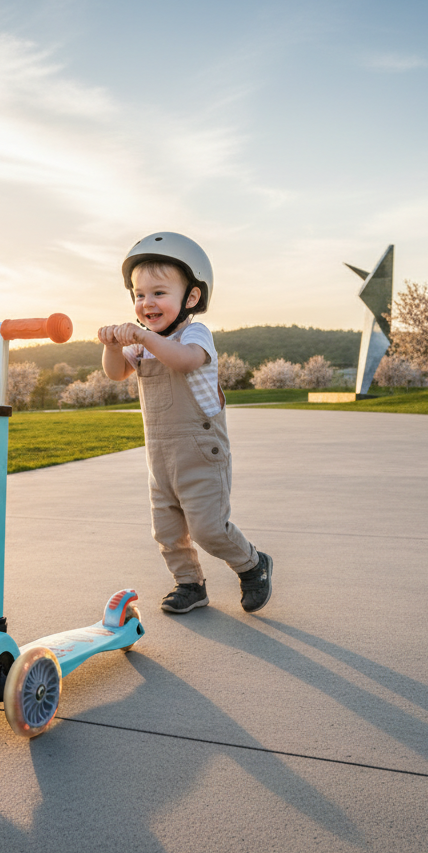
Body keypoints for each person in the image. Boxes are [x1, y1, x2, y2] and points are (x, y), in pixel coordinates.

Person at [97, 232, 273, 614]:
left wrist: (144, 336)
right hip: (160, 458)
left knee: (209, 528)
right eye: (139, 295)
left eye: (159, 293)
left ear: (190, 298)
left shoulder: (194, 334)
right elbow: (115, 374)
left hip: (201, 454)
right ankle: (190, 584)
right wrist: (113, 346)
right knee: (167, 532)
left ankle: (252, 565)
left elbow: (184, 360)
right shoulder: (142, 344)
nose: (147, 303)